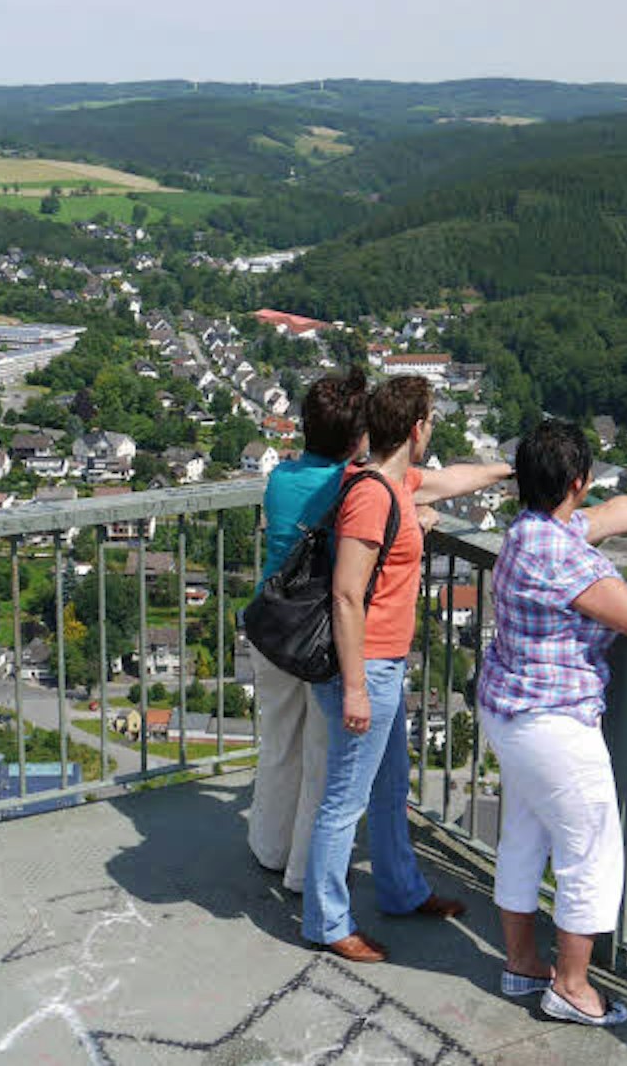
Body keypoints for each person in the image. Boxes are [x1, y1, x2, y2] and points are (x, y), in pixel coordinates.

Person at [475, 418, 627, 1026]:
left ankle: (523, 964)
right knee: (591, 852)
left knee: (525, 836)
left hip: (509, 711)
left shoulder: (530, 530)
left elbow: (613, 514)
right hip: (553, 726)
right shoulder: (562, 556)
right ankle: (572, 987)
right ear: (578, 480)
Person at [301, 376, 514, 962]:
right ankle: (326, 921)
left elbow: (451, 480)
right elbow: (347, 596)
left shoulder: (394, 483)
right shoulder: (373, 495)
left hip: (384, 668)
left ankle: (400, 891)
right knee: (344, 800)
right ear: (417, 429)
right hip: (364, 669)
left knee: (392, 788)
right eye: (431, 423)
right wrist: (353, 689)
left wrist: (507, 469)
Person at [247, 367, 369, 893]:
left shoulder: (280, 478)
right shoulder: (352, 488)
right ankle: (302, 872)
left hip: (272, 627)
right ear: (357, 438)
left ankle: (268, 847)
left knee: (278, 745)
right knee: (322, 760)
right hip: (321, 637)